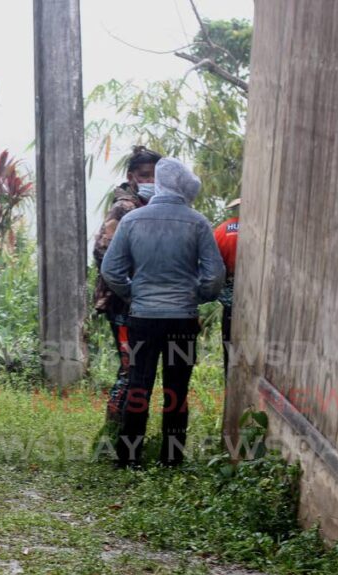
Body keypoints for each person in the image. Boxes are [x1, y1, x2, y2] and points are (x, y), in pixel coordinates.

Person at [101, 158, 225, 467]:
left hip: (142, 319)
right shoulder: (198, 223)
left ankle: (129, 457)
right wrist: (193, 296)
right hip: (181, 320)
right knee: (177, 388)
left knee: (139, 383)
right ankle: (171, 457)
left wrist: (135, 293)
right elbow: (215, 276)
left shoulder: (132, 221)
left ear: (157, 184)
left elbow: (111, 270)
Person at [92, 146, 162, 425]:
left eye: (156, 176)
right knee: (129, 366)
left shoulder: (151, 207)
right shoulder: (124, 208)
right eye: (145, 176)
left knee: (137, 365)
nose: (151, 182)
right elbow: (102, 253)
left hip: (143, 302)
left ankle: (121, 426)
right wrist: (131, 285)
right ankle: (115, 426)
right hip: (122, 300)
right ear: (132, 177)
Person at [213, 198, 240, 376]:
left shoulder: (221, 230)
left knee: (230, 349)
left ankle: (231, 390)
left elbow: (213, 267)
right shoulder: (265, 229)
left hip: (231, 301)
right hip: (262, 302)